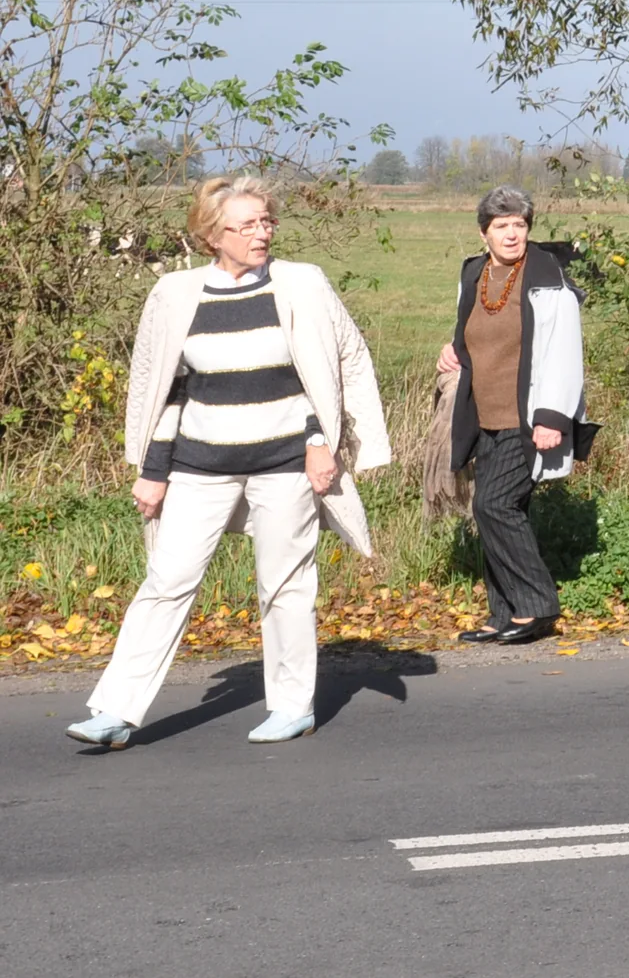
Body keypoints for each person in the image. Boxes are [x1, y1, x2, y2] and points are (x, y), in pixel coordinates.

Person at [71, 175, 392, 749]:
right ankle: (115, 711)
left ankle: (292, 706)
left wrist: (323, 440)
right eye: (245, 225)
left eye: (266, 221)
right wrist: (153, 469)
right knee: (167, 580)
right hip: (198, 463)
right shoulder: (174, 294)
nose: (261, 233)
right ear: (211, 235)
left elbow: (332, 367)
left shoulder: (301, 284)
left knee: (284, 582)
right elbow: (163, 389)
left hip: (285, 461)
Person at [437, 186, 590, 646]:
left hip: (527, 417)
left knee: (493, 505)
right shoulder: (474, 274)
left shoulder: (546, 275)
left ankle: (537, 605)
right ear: (484, 232)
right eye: (501, 225)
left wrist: (552, 417)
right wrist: (454, 351)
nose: (511, 234)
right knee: (495, 512)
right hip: (482, 412)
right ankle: (503, 611)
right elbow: (474, 330)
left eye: (519, 225)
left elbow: (565, 351)